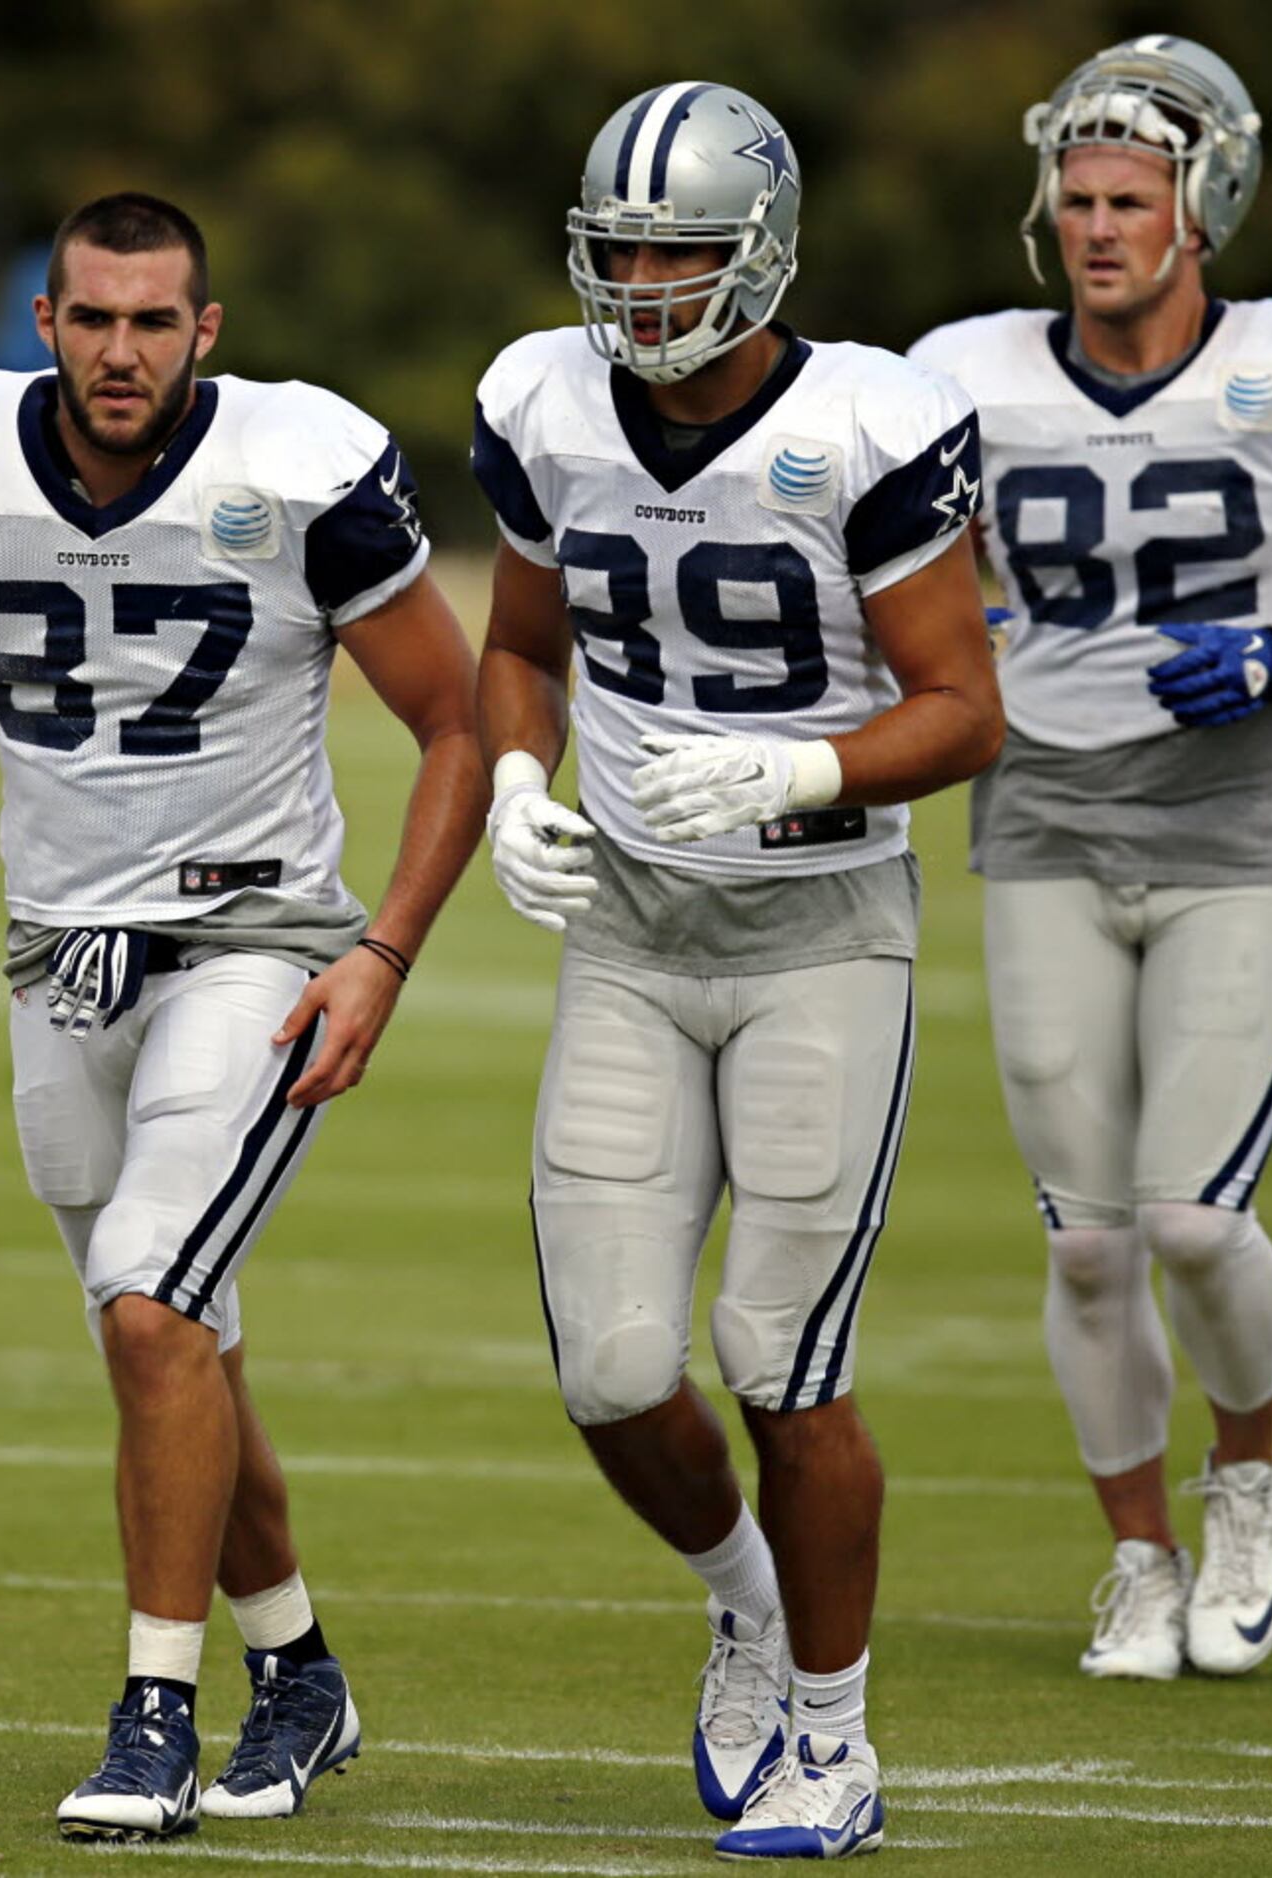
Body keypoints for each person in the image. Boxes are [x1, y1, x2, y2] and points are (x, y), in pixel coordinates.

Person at [0, 192, 484, 1840]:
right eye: (93, 317)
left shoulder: (298, 469)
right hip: (56, 960)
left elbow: (450, 722)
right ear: (45, 319)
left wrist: (382, 950)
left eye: (155, 321)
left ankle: (154, 1711)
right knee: (167, 1341)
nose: (121, 350)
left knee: (154, 1303)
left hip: (255, 942)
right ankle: (299, 1673)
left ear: (204, 333)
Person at [472, 83, 1002, 1861]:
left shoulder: (866, 422)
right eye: (618, 249)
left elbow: (966, 712)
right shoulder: (546, 403)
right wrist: (513, 776)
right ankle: (749, 1604)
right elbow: (519, 644)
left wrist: (806, 767)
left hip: (820, 936)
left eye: (677, 247)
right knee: (614, 1371)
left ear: (760, 246)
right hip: (626, 930)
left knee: (782, 1354)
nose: (638, 282)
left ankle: (836, 1741)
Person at [909, 36, 1272, 1682]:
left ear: (1204, 204)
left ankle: (1253, 1477)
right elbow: (919, 577)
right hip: (1051, 809)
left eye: (1127, 197)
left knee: (1196, 1222)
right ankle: (1138, 1555)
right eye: (1073, 199)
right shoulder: (970, 373)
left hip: (1234, 814)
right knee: (1087, 1236)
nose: (1093, 227)